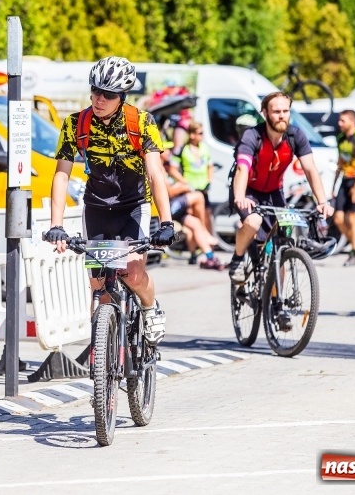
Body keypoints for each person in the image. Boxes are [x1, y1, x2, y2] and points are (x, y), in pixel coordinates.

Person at [43, 56, 176, 345]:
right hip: (97, 207)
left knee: (132, 271)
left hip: (133, 206)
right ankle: (106, 353)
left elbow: (155, 173)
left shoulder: (141, 122)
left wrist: (166, 221)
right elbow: (61, 175)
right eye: (95, 90)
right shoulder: (75, 124)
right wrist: (56, 225)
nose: (99, 98)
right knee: (98, 283)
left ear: (122, 96)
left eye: (108, 94)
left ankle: (151, 309)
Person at [227, 92, 334, 283]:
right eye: (276, 111)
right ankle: (238, 257)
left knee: (281, 245)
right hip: (248, 190)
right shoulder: (252, 136)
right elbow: (243, 168)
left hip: (274, 192)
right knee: (253, 222)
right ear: (265, 113)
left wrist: (322, 201)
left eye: (286, 111)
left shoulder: (295, 136)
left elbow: (310, 169)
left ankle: (277, 304)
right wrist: (240, 197)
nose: (282, 115)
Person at [161, 141, 225, 270]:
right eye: (166, 150)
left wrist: (183, 185)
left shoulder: (168, 167)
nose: (169, 152)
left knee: (194, 223)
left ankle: (209, 257)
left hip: (175, 205)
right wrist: (182, 187)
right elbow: (169, 192)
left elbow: (181, 184)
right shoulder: (159, 169)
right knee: (198, 196)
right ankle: (205, 233)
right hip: (167, 208)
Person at [331, 110, 355, 267]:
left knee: (353, 218)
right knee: (338, 218)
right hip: (345, 179)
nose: (339, 124)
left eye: (343, 121)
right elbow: (340, 161)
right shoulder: (340, 138)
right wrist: (333, 184)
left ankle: (353, 253)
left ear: (352, 121)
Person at [174, 121, 214, 235]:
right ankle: (195, 248)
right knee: (193, 218)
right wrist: (184, 182)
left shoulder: (205, 148)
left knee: (207, 216)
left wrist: (209, 181)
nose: (202, 136)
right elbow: (172, 169)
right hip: (190, 189)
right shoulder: (182, 149)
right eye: (200, 133)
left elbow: (210, 166)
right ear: (191, 134)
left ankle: (209, 244)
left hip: (203, 188)